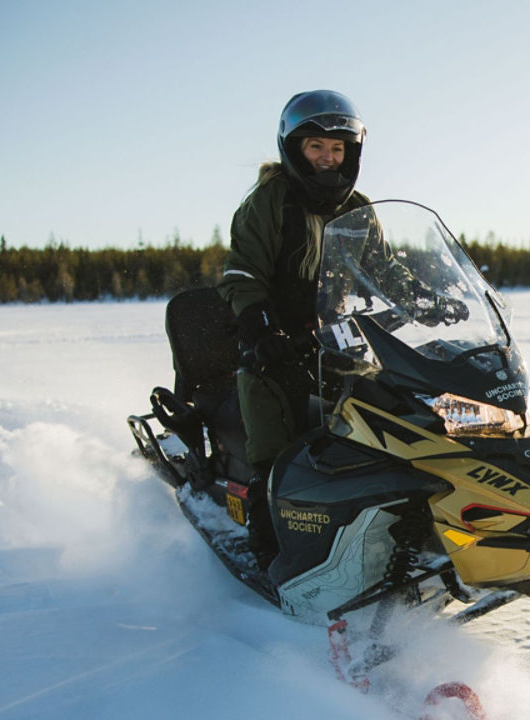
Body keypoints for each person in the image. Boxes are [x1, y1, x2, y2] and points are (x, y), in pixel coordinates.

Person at [217, 90, 370, 565]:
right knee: (278, 452)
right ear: (294, 148)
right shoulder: (270, 201)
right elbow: (242, 274)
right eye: (316, 147)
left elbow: (382, 269)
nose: (328, 159)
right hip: (272, 346)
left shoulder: (358, 206)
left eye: (338, 149)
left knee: (385, 425)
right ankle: (272, 553)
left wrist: (424, 297)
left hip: (334, 342)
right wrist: (262, 329)